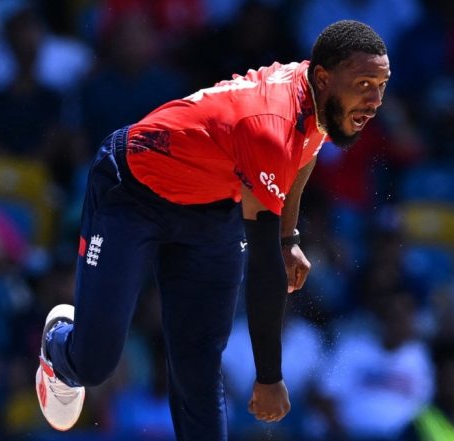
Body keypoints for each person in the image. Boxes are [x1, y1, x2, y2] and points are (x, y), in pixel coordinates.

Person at [33, 19, 390, 441]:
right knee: (94, 364)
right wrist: (269, 378)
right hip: (131, 194)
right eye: (364, 83)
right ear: (325, 77)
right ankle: (59, 345)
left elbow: (308, 147)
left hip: (213, 209)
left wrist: (288, 238)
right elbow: (264, 269)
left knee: (199, 367)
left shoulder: (318, 92)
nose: (375, 99)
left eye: (381, 84)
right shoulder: (271, 125)